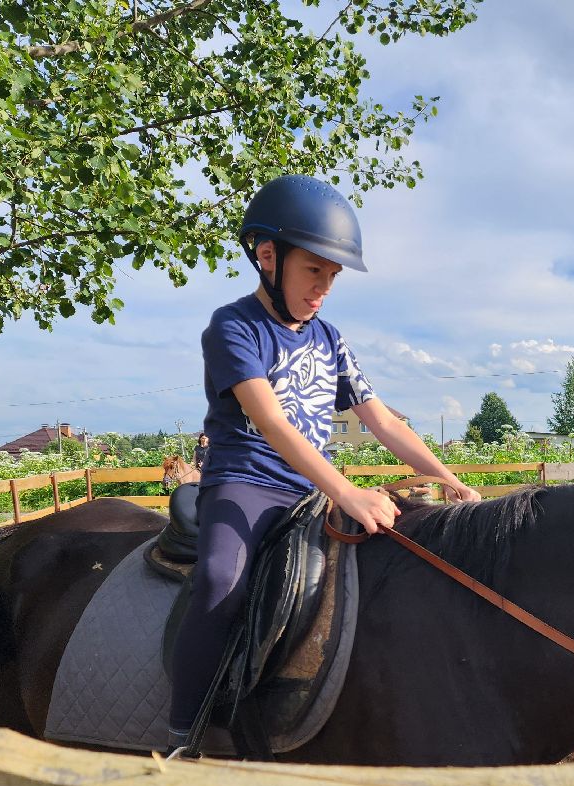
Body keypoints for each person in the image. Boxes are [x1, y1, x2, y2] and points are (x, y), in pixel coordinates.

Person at [167, 175, 480, 748]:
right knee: (219, 579)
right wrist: (345, 490)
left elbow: (383, 421)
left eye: (332, 276)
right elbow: (272, 422)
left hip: (311, 490)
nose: (324, 288)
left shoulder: (329, 338)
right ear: (268, 257)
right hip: (248, 482)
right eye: (315, 270)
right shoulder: (233, 327)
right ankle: (185, 729)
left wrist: (447, 479)